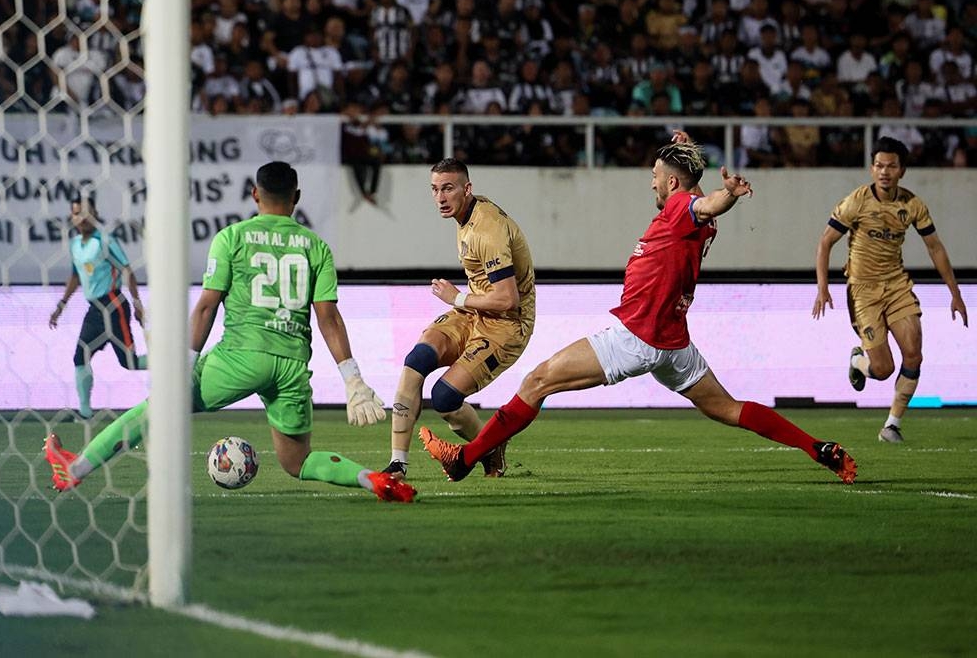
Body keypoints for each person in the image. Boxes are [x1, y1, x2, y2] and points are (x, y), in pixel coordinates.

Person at [420, 135, 858, 485]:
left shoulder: (683, 210)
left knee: (537, 382)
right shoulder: (688, 213)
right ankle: (818, 447)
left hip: (636, 336)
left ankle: (465, 459)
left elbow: (703, 203)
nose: (651, 182)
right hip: (674, 343)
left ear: (671, 183)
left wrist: (728, 195)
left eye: (655, 176)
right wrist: (686, 156)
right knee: (728, 408)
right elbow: (699, 201)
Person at [45, 162, 416, 502]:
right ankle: (375, 480)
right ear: (296, 198)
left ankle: (75, 469)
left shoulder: (232, 238)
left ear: (255, 194)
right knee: (297, 462)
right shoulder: (317, 247)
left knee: (158, 410)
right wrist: (352, 379)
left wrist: (185, 365)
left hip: (239, 356)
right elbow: (328, 317)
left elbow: (207, 306)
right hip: (290, 366)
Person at [383, 157, 535, 479]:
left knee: (445, 397)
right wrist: (463, 303)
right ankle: (398, 464)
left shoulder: (487, 230)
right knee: (417, 359)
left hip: (507, 324)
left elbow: (509, 299)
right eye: (435, 189)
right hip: (474, 312)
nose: (440, 197)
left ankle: (490, 449)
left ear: (467, 189)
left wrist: (457, 298)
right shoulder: (467, 215)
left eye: (448, 188)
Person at [812, 137, 968, 443]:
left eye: (891, 166)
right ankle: (858, 361)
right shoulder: (856, 202)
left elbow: (935, 247)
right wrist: (823, 287)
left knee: (914, 354)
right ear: (872, 169)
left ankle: (892, 425)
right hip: (863, 290)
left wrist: (955, 293)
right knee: (883, 369)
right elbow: (825, 242)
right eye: (879, 166)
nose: (884, 172)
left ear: (902, 171)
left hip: (896, 285)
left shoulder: (911, 205)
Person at [49, 194, 147, 419]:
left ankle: (170, 365)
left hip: (113, 305)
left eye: (85, 213)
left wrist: (138, 304)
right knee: (79, 357)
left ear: (94, 215)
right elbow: (75, 275)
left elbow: (127, 270)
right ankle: (85, 413)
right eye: (76, 213)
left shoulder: (105, 240)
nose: (81, 218)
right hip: (94, 310)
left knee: (129, 362)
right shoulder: (75, 244)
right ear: (71, 217)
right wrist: (61, 305)